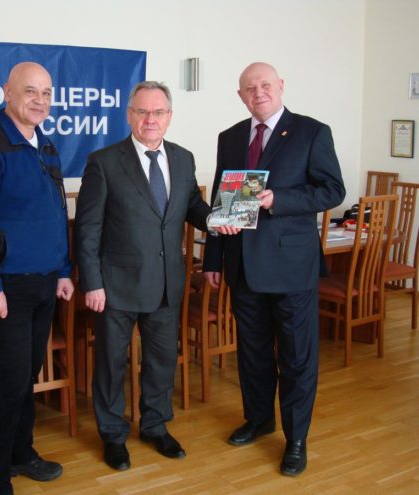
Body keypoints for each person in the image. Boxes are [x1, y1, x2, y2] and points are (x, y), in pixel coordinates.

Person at [75, 81, 228, 471]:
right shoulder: (104, 162)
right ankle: (113, 435)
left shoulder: (183, 158)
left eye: (158, 112)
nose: (150, 119)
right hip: (115, 286)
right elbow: (88, 229)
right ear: (129, 115)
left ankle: (155, 426)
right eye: (142, 112)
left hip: (166, 283)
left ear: (169, 117)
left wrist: (217, 220)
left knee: (161, 361)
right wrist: (92, 282)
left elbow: (192, 206)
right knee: (111, 364)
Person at [203, 62, 346, 477]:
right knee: (252, 352)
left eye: (265, 85)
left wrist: (277, 199)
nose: (258, 92)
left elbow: (332, 190)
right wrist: (213, 259)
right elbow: (220, 201)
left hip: (291, 268)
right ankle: (259, 419)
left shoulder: (311, 132)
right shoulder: (230, 137)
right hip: (242, 267)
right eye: (250, 88)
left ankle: (296, 438)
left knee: (297, 357)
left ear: (280, 86)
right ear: (241, 96)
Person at [0, 62, 73, 495]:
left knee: (27, 377)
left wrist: (63, 270)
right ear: (7, 92)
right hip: (6, 287)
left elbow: (56, 213)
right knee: (9, 383)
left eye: (46, 92)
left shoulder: (46, 145)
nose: (40, 100)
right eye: (30, 91)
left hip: (44, 281)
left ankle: (22, 452)